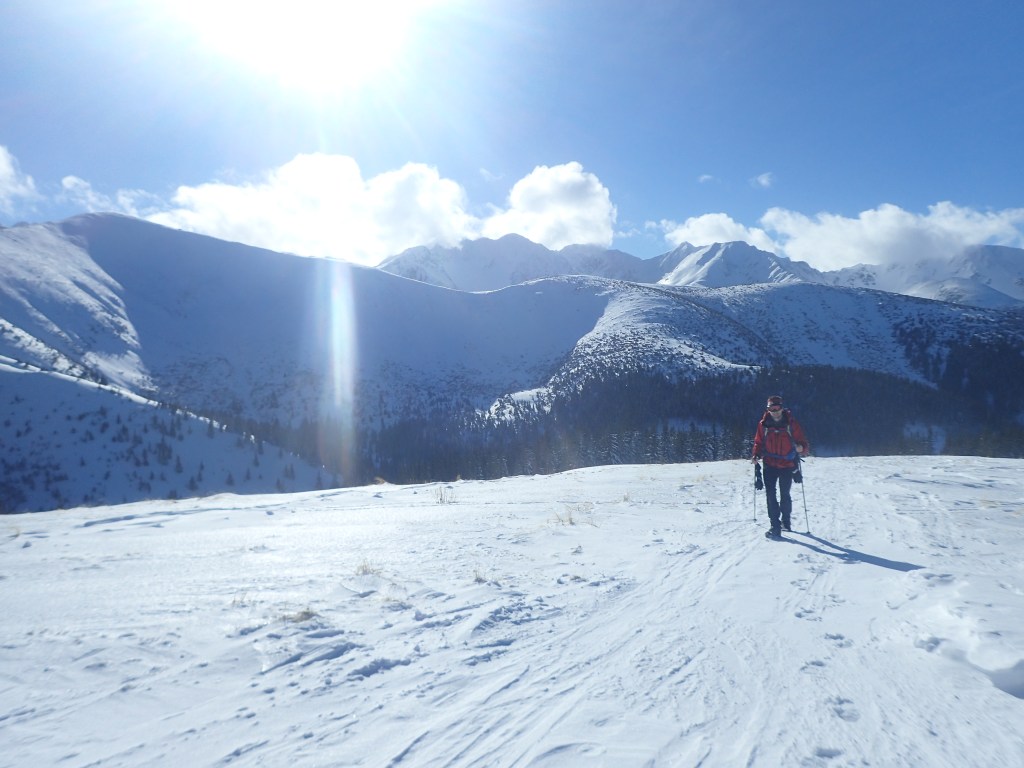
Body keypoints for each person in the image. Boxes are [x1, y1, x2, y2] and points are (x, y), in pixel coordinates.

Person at [752, 395, 810, 539]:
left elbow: (804, 445)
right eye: (772, 408)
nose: (775, 411)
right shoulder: (763, 425)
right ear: (768, 409)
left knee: (785, 494)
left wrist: (800, 448)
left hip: (787, 465)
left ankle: (785, 521)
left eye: (777, 408)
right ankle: (775, 526)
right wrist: (756, 456)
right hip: (769, 464)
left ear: (782, 408)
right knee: (770, 495)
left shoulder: (791, 424)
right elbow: (758, 443)